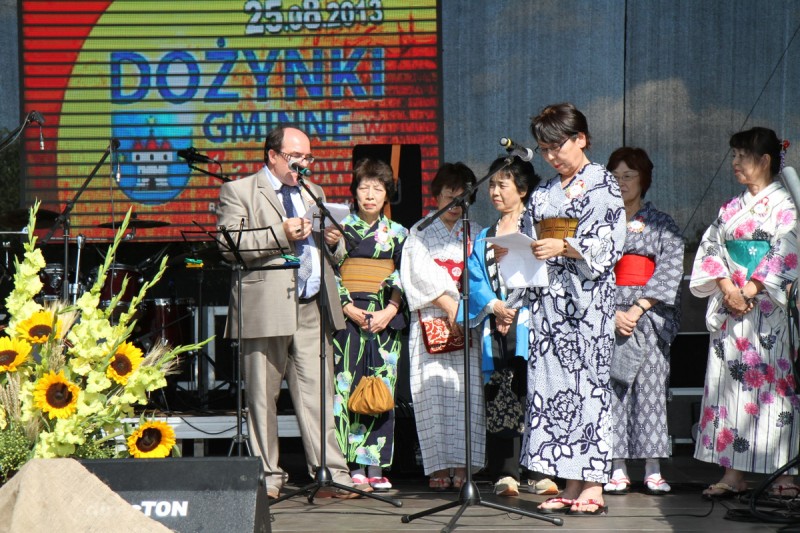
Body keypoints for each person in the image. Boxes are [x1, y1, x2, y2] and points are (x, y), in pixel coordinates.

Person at [216, 125, 370, 499]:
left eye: (308, 158)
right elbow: (229, 246)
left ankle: (331, 473)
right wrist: (282, 232)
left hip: (312, 306)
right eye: (295, 157)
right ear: (272, 155)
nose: (303, 164)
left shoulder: (312, 192)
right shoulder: (240, 191)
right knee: (262, 397)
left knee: (319, 397)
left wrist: (331, 242)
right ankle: (268, 477)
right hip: (265, 307)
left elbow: (327, 254)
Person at [520, 103, 626, 515]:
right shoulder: (544, 191)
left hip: (587, 304)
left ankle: (594, 484)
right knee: (554, 389)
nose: (550, 157)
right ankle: (568, 480)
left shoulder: (604, 184)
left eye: (556, 146)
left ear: (580, 138)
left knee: (590, 388)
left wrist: (565, 246)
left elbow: (608, 244)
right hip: (550, 304)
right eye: (543, 149)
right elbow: (531, 239)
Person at [690, 127, 798, 499]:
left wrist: (750, 289)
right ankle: (733, 473)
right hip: (733, 310)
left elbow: (788, 248)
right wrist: (727, 289)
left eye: (741, 155)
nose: (734, 162)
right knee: (729, 390)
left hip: (768, 310)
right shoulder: (730, 209)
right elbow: (711, 250)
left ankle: (783, 474)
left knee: (775, 392)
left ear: (765, 161)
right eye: (733, 155)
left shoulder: (787, 206)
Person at [399, 162, 485, 491]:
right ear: (436, 196)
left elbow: (481, 276)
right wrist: (451, 304)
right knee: (431, 395)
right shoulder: (419, 231)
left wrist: (464, 309)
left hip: (468, 324)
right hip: (432, 321)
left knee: (467, 395)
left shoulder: (476, 233)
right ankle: (438, 466)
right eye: (449, 195)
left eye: (461, 197)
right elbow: (416, 274)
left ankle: (463, 465)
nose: (454, 203)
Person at [603, 147, 684, 496]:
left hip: (648, 313)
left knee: (650, 389)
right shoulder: (601, 222)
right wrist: (612, 311)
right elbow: (592, 271)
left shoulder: (661, 222)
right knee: (613, 391)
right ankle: (616, 466)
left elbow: (670, 269)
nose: (622, 183)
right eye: (616, 176)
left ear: (644, 179)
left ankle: (652, 467)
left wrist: (636, 309)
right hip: (609, 313)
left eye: (629, 175)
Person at [463, 155, 539, 497]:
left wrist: (514, 308)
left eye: (502, 184)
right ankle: (506, 471)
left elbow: (544, 274)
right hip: (496, 324)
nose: (494, 191)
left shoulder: (536, 226)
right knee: (500, 394)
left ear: (521, 190)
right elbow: (474, 278)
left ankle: (538, 469)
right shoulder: (484, 235)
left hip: (531, 323)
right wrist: (495, 306)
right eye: (491, 184)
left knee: (534, 393)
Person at [332, 158, 408, 491]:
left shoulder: (399, 233)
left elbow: (405, 275)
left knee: (380, 389)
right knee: (346, 389)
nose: (370, 194)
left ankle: (374, 465)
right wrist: (346, 307)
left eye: (378, 188)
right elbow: (329, 271)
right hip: (347, 316)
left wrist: (390, 310)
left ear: (387, 193)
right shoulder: (340, 229)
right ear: (354, 191)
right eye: (364, 187)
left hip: (383, 317)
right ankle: (348, 465)